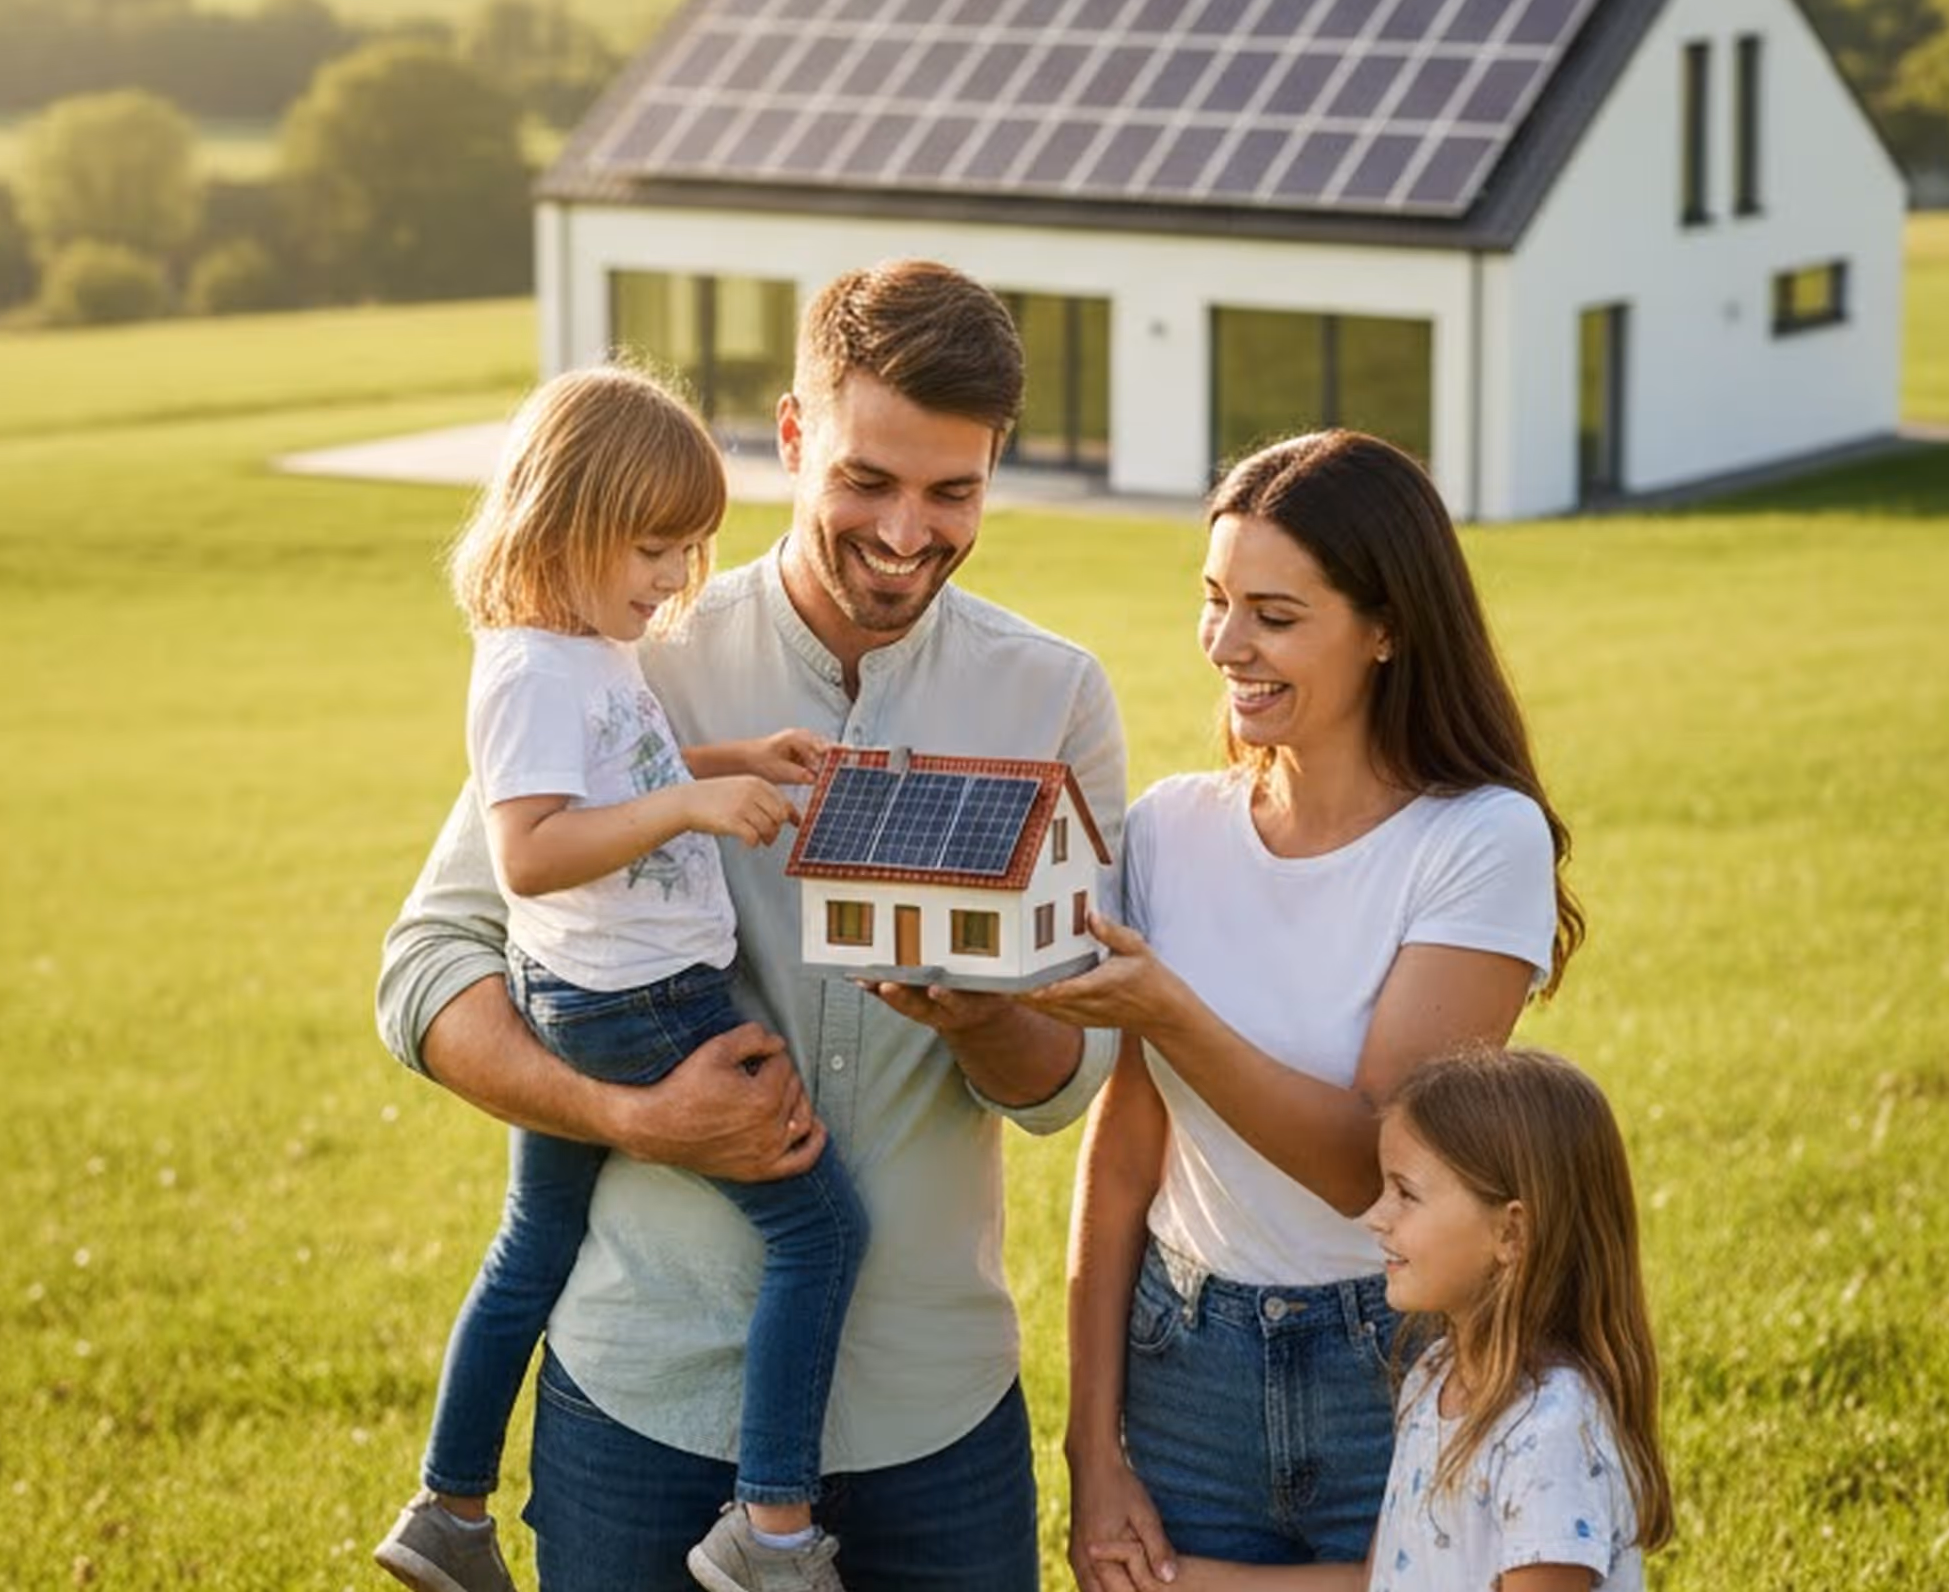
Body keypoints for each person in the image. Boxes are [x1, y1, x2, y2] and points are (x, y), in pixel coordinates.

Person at [375, 259, 1128, 1592]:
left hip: (928, 1414)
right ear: (791, 437)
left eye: (953, 491)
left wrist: (984, 1011)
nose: (908, 532)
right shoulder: (618, 646)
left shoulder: (1055, 698)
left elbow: (1066, 1085)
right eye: (867, 481)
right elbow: (428, 970)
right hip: (646, 1395)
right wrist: (629, 1116)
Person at [1028, 430, 1586, 1588]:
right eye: (1214, 599)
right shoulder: (1172, 825)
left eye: (1274, 616)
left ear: (1385, 627)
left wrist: (1174, 1013)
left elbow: (1370, 1158)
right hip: (1179, 1353)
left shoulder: (1477, 839)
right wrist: (1093, 1446)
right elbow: (1127, 1142)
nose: (1227, 645)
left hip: (1391, 1353)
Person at [375, 364, 867, 1592]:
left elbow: (617, 766)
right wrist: (692, 802)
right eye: (652, 548)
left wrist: (725, 753)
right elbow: (532, 848)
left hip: (589, 993)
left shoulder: (582, 651)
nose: (670, 580)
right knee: (821, 1229)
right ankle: (771, 1529)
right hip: (641, 1001)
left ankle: (450, 1507)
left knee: (534, 1237)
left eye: (689, 549)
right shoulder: (532, 667)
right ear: (566, 519)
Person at [1077, 1046, 1675, 1592]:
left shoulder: (1551, 1432)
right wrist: (1178, 1581)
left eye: (1405, 1194)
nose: (1375, 1218)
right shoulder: (1434, 1376)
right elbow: (1385, 1579)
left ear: (1511, 1232)